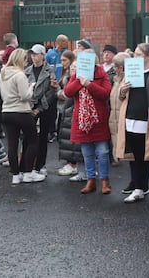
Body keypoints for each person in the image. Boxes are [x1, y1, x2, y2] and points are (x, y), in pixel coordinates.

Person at [115, 45, 149, 203]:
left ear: (148, 56)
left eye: (138, 54)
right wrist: (123, 90)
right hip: (131, 118)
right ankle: (139, 188)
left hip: (148, 120)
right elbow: (121, 97)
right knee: (136, 157)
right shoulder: (131, 72)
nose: (135, 57)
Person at [64, 49, 112, 194]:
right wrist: (80, 81)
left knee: (103, 152)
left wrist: (90, 85)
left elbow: (105, 94)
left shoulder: (101, 73)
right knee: (87, 152)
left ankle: (104, 180)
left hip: (99, 119)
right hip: (82, 120)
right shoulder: (77, 74)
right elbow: (68, 92)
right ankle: (90, 180)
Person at [0, 49, 44, 184]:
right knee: (32, 141)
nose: (26, 63)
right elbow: (25, 96)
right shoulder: (20, 75)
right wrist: (31, 87)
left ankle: (15, 175)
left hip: (6, 111)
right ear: (20, 60)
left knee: (12, 145)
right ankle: (28, 173)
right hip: (21, 112)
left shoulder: (3, 73)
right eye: (25, 60)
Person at [25, 44, 57, 176]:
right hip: (29, 106)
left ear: (43, 55)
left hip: (45, 107)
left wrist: (39, 108)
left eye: (36, 54)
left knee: (43, 137)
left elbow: (51, 91)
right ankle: (28, 165)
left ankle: (41, 164)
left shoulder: (50, 70)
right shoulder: (27, 71)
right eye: (32, 54)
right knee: (28, 137)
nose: (34, 57)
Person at [55, 50, 86, 182]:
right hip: (66, 110)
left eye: (75, 68)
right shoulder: (68, 77)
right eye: (72, 67)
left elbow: (68, 93)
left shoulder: (79, 80)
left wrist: (59, 92)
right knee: (67, 139)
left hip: (72, 110)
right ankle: (72, 164)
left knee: (76, 142)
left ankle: (75, 165)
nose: (72, 69)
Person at [46, 34, 71, 142]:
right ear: (59, 42)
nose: (67, 43)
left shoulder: (66, 53)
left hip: (63, 84)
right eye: (65, 41)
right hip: (52, 85)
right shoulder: (50, 54)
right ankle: (52, 131)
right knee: (51, 109)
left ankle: (61, 131)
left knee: (63, 109)